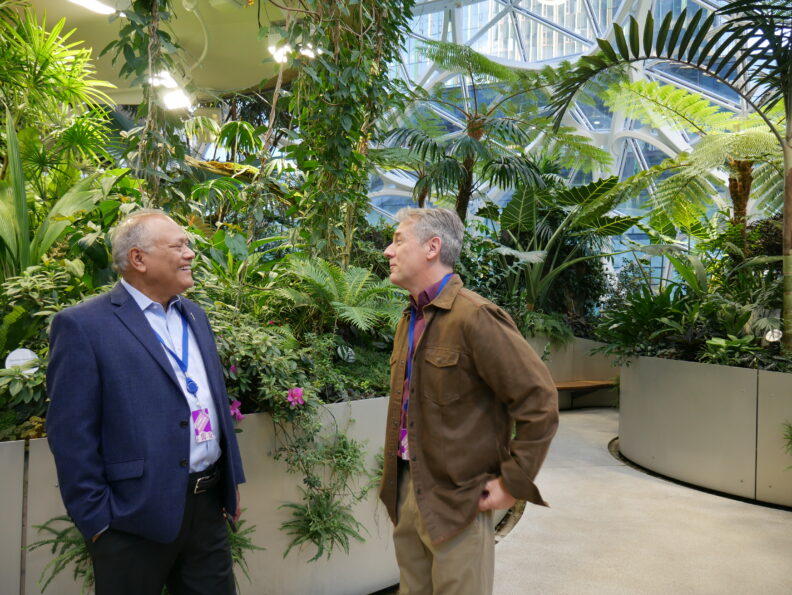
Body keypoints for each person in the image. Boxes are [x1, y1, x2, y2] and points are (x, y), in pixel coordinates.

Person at [46, 209, 246, 595]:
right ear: (138, 259)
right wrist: (98, 522)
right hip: (131, 518)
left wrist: (231, 483)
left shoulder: (195, 316)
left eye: (188, 245)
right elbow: (71, 433)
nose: (190, 254)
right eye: (179, 246)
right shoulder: (84, 326)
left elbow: (214, 403)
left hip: (206, 510)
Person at [379, 208, 559, 594]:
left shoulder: (475, 317)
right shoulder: (408, 320)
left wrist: (514, 481)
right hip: (408, 490)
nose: (387, 252)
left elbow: (539, 400)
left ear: (433, 247)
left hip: (460, 500)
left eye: (397, 241)